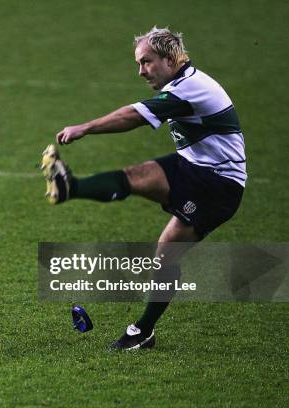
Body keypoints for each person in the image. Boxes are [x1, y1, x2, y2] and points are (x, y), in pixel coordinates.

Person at [41, 26, 246, 350]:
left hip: (217, 185)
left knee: (166, 252)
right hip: (192, 166)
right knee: (135, 175)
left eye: (146, 62)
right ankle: (70, 187)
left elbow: (133, 116)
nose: (141, 71)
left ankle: (142, 331)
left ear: (169, 59)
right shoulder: (183, 82)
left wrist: (86, 128)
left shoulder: (191, 88)